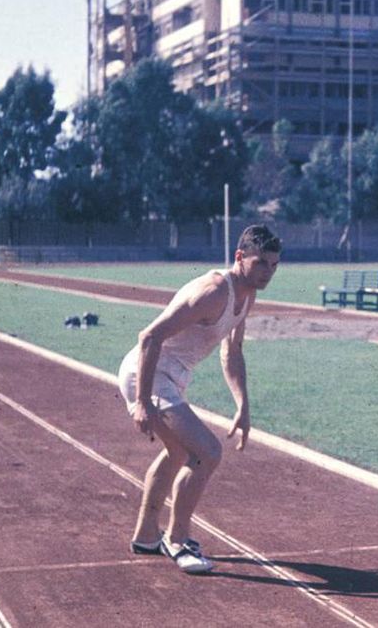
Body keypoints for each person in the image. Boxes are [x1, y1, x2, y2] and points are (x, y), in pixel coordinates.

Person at [117, 225, 281, 574]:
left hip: (170, 377)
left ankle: (146, 536)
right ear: (240, 257)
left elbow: (232, 350)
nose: (267, 272)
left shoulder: (247, 295)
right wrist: (142, 402)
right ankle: (176, 540)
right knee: (207, 452)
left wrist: (242, 405)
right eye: (260, 263)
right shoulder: (214, 292)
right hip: (147, 373)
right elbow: (149, 337)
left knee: (178, 453)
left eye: (273, 265)